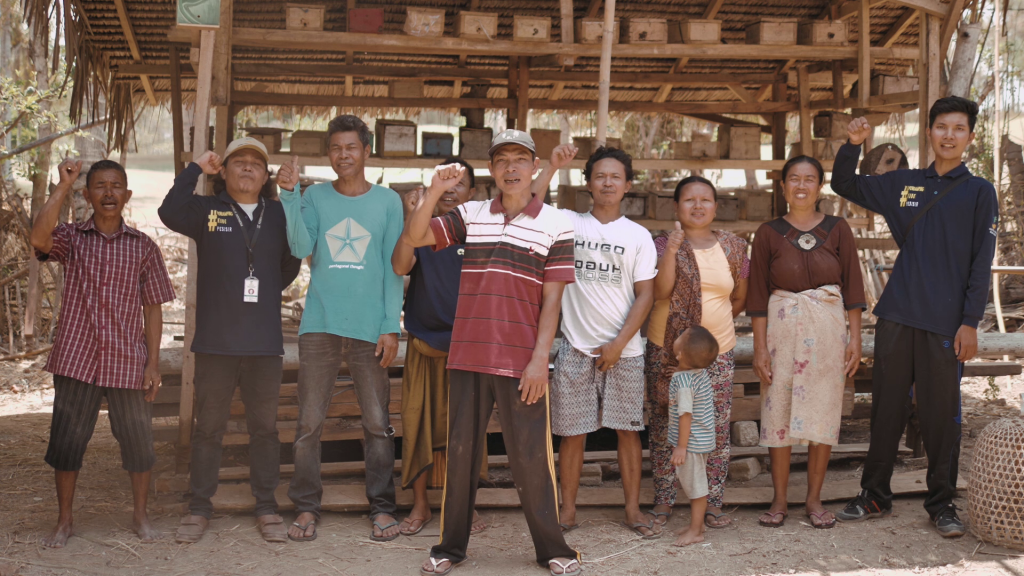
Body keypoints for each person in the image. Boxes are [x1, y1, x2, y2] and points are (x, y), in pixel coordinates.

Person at [400, 130, 580, 576]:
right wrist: (437, 190)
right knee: (460, 455)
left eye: (521, 160)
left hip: (523, 361)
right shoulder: (470, 213)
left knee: (532, 457)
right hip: (468, 354)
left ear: (534, 168)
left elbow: (552, 299)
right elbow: (417, 237)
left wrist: (541, 359)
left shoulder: (557, 223)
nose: (512, 168)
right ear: (492, 170)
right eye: (502, 161)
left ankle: (553, 550)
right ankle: (450, 549)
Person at [831, 97, 998, 537]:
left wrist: (969, 321)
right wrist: (853, 143)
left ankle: (941, 503)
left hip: (946, 323)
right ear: (930, 133)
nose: (948, 135)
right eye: (941, 127)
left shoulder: (979, 191)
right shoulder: (901, 183)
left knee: (941, 416)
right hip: (897, 313)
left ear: (969, 137)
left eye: (958, 129)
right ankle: (874, 495)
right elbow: (844, 182)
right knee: (885, 408)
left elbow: (981, 263)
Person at [158, 138, 301, 544]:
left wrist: (267, 285)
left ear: (265, 175)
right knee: (208, 429)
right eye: (239, 162)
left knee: (265, 430)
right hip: (216, 343)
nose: (247, 168)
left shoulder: (277, 214)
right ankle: (199, 507)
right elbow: (169, 211)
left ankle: (266, 506)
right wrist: (194, 168)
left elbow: (291, 260)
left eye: (257, 163)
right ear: (224, 171)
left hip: (263, 344)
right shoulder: (207, 211)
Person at [30, 158, 175, 548]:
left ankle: (140, 516)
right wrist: (62, 185)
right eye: (99, 186)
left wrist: (153, 363)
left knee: (138, 443)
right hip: (78, 358)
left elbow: (153, 306)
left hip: (128, 361)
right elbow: (39, 240)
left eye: (115, 186)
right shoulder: (72, 237)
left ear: (126, 195)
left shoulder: (143, 247)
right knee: (67, 444)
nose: (108, 193)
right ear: (87, 194)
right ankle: (64, 520)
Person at [276, 115, 403, 543]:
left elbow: (393, 269)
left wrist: (391, 327)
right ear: (328, 153)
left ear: (367, 151)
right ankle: (306, 506)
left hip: (371, 328)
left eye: (351, 147)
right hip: (321, 324)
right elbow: (299, 247)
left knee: (376, 421)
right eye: (335, 148)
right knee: (309, 422)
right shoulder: (313, 197)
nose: (343, 155)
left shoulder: (388, 202)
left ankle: (382, 507)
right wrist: (289, 196)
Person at [544, 146, 659, 538]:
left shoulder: (638, 236)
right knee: (572, 432)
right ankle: (568, 510)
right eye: (600, 176)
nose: (607, 182)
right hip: (576, 347)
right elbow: (529, 205)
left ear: (627, 185)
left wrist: (618, 343)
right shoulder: (568, 224)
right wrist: (552, 166)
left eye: (616, 177)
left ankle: (632, 509)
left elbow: (646, 294)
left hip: (624, 352)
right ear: (588, 182)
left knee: (628, 431)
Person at [748, 155, 866, 529]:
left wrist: (855, 340)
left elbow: (854, 289)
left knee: (823, 411)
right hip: (782, 332)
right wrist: (761, 348)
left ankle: (814, 500)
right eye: (793, 179)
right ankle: (780, 500)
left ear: (820, 186)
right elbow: (756, 296)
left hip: (829, 333)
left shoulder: (838, 229)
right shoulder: (768, 232)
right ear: (783, 186)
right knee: (778, 411)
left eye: (809, 179)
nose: (801, 185)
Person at [391, 157, 486, 537]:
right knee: (417, 425)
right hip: (424, 345)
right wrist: (411, 217)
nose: (450, 192)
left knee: (466, 429)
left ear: (473, 193)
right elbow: (400, 267)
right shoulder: (423, 229)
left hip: (469, 348)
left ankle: (464, 506)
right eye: (442, 185)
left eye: (458, 185)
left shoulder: (481, 231)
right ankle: (420, 504)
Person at [648, 176, 749, 529]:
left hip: (716, 353)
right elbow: (660, 293)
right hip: (668, 350)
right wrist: (673, 250)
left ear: (716, 207)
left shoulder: (735, 248)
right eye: (689, 200)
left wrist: (709, 334)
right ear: (676, 207)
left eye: (705, 199)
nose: (697, 206)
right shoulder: (661, 243)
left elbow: (739, 298)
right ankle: (664, 498)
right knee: (665, 424)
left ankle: (712, 502)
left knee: (715, 427)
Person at [668, 326, 721, 546]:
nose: (676, 337)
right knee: (696, 483)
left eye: (679, 337)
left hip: (691, 444)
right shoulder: (698, 374)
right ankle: (696, 525)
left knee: (696, 488)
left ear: (680, 354)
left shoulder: (684, 383)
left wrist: (681, 447)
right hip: (701, 440)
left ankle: (696, 532)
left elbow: (685, 415)